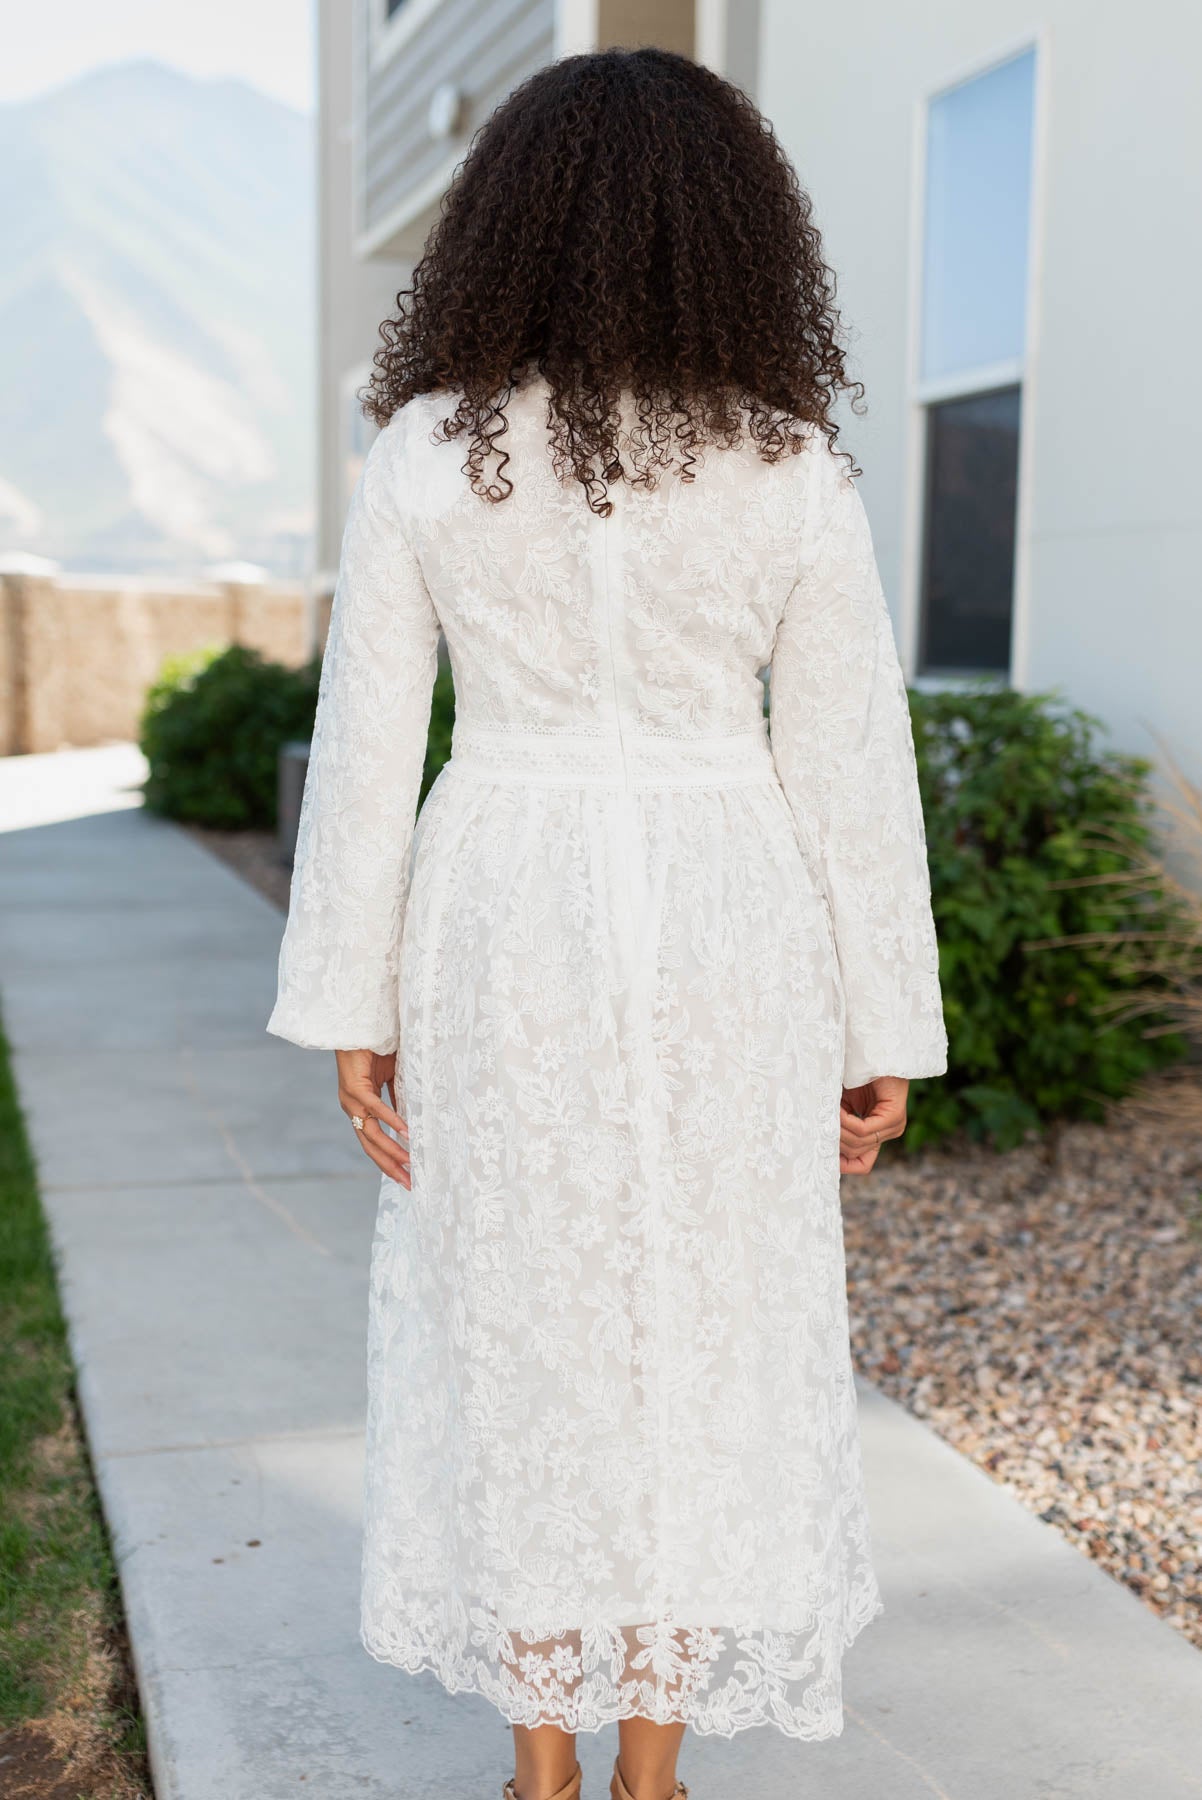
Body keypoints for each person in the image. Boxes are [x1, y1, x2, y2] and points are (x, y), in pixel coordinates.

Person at [268, 44, 947, 1800]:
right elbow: (852, 768)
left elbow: (361, 749)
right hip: (736, 917)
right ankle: (653, 1777)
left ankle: (543, 1774)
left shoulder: (427, 452)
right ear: (734, 235)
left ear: (505, 228)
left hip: (501, 907)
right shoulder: (789, 464)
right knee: (698, 1336)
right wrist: (882, 1035)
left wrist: (353, 993)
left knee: (517, 1321)